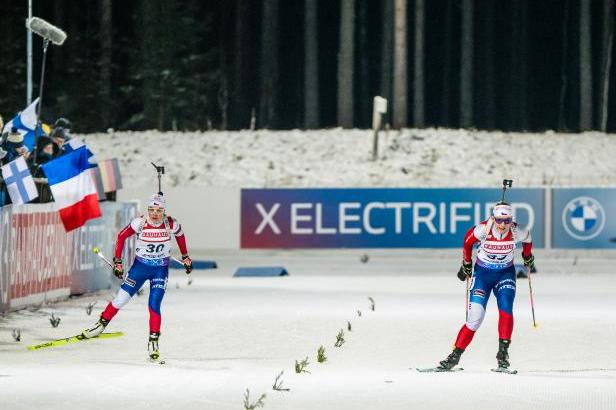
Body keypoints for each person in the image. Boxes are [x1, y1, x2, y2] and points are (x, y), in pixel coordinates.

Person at [82, 193, 193, 361]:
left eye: (159, 210)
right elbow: (121, 236)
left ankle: (153, 341)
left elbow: (180, 235)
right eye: (151, 210)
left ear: (164, 210)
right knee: (120, 299)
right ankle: (99, 326)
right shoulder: (139, 223)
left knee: (154, 304)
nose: (155, 214)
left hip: (160, 270)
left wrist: (185, 256)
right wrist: (118, 262)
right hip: (139, 268)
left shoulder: (170, 223)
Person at [436, 201, 536, 371]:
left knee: (506, 310)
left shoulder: (516, 231)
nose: (503, 225)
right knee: (475, 319)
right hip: (482, 275)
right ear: (493, 218)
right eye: (499, 220)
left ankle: (502, 356)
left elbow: (528, 238)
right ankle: (454, 356)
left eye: (507, 221)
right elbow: (468, 242)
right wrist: (466, 263)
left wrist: (527, 256)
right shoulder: (483, 229)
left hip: (505, 274)